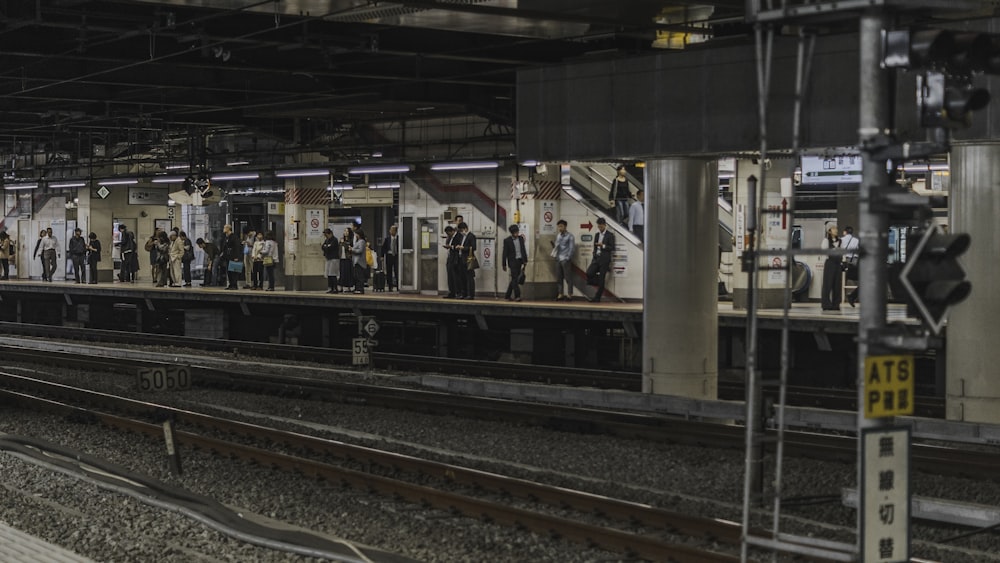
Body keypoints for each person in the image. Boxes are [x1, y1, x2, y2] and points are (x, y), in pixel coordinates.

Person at [585, 217, 615, 302]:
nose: (600, 228)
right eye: (599, 227)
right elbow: (594, 246)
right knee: (589, 272)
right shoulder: (597, 235)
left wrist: (603, 246)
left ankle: (597, 297)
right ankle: (598, 281)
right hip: (596, 258)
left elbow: (612, 247)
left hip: (604, 259)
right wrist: (594, 254)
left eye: (601, 227)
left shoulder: (610, 235)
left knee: (602, 278)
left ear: (605, 225)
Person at [502, 224, 528, 302]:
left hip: (519, 260)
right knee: (514, 278)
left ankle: (507, 295)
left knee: (514, 278)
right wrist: (504, 264)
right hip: (512, 261)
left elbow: (523, 249)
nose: (517, 234)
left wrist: (525, 260)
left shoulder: (520, 239)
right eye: (515, 233)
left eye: (517, 232)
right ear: (512, 233)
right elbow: (505, 253)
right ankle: (517, 295)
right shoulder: (507, 241)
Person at [552, 219, 576, 301]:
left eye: (561, 226)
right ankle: (560, 294)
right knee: (559, 277)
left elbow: (572, 248)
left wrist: (567, 258)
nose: (560, 228)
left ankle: (570, 294)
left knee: (568, 277)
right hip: (558, 258)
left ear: (565, 227)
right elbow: (557, 246)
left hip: (565, 259)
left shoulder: (570, 236)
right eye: (558, 226)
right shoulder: (558, 236)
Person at [819, 224, 841, 311]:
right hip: (829, 263)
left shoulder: (840, 241)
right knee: (827, 284)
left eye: (836, 228)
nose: (836, 230)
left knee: (837, 285)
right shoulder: (826, 240)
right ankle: (826, 304)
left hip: (838, 263)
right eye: (833, 228)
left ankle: (836, 304)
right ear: (829, 231)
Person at [454, 222, 476, 300]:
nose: (461, 232)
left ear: (465, 229)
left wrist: (463, 248)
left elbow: (473, 247)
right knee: (462, 277)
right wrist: (457, 247)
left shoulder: (471, 236)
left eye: (461, 230)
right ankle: (464, 293)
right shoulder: (461, 237)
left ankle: (470, 294)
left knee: (469, 277)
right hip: (461, 259)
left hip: (468, 259)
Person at [841, 226, 860, 307]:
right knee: (858, 280)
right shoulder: (856, 240)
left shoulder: (841, 239)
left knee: (842, 280)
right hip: (854, 261)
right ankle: (852, 296)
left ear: (845, 232)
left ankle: (842, 297)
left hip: (844, 261)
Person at [221, 224, 242, 290]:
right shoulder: (226, 237)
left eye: (225, 227)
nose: (223, 229)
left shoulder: (234, 237)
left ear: (228, 228)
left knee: (234, 271)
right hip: (228, 256)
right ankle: (231, 284)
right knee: (229, 271)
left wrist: (237, 256)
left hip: (233, 256)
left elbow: (237, 247)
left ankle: (234, 285)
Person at [380, 224, 400, 291]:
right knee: (389, 271)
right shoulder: (387, 239)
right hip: (389, 255)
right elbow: (383, 248)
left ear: (395, 231)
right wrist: (382, 256)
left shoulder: (399, 239)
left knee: (397, 271)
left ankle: (398, 286)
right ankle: (390, 286)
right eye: (390, 230)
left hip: (396, 256)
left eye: (392, 230)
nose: (391, 231)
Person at [321, 228, 340, 293]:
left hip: (334, 258)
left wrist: (327, 247)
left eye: (326, 234)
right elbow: (323, 247)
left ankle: (335, 288)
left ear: (330, 233)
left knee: (333, 274)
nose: (326, 236)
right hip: (328, 258)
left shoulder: (335, 240)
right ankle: (330, 288)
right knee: (328, 274)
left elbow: (331, 248)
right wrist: (327, 246)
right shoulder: (326, 240)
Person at [442, 225, 459, 298]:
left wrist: (451, 247)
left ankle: (457, 292)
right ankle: (451, 292)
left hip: (455, 259)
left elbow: (458, 247)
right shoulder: (450, 238)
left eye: (448, 234)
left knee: (455, 277)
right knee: (450, 277)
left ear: (452, 231)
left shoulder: (458, 236)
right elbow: (448, 244)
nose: (448, 235)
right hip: (450, 258)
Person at [351, 228, 369, 294]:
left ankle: (360, 289)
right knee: (356, 276)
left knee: (359, 276)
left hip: (359, 261)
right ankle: (357, 288)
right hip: (355, 261)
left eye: (356, 234)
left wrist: (352, 250)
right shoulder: (357, 242)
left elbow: (360, 251)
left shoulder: (362, 241)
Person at [339, 227, 354, 292]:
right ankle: (341, 286)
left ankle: (348, 286)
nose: (345, 232)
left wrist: (343, 243)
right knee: (342, 273)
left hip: (348, 258)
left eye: (347, 231)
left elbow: (348, 248)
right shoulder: (341, 240)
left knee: (348, 273)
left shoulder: (351, 241)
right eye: (345, 231)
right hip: (342, 258)